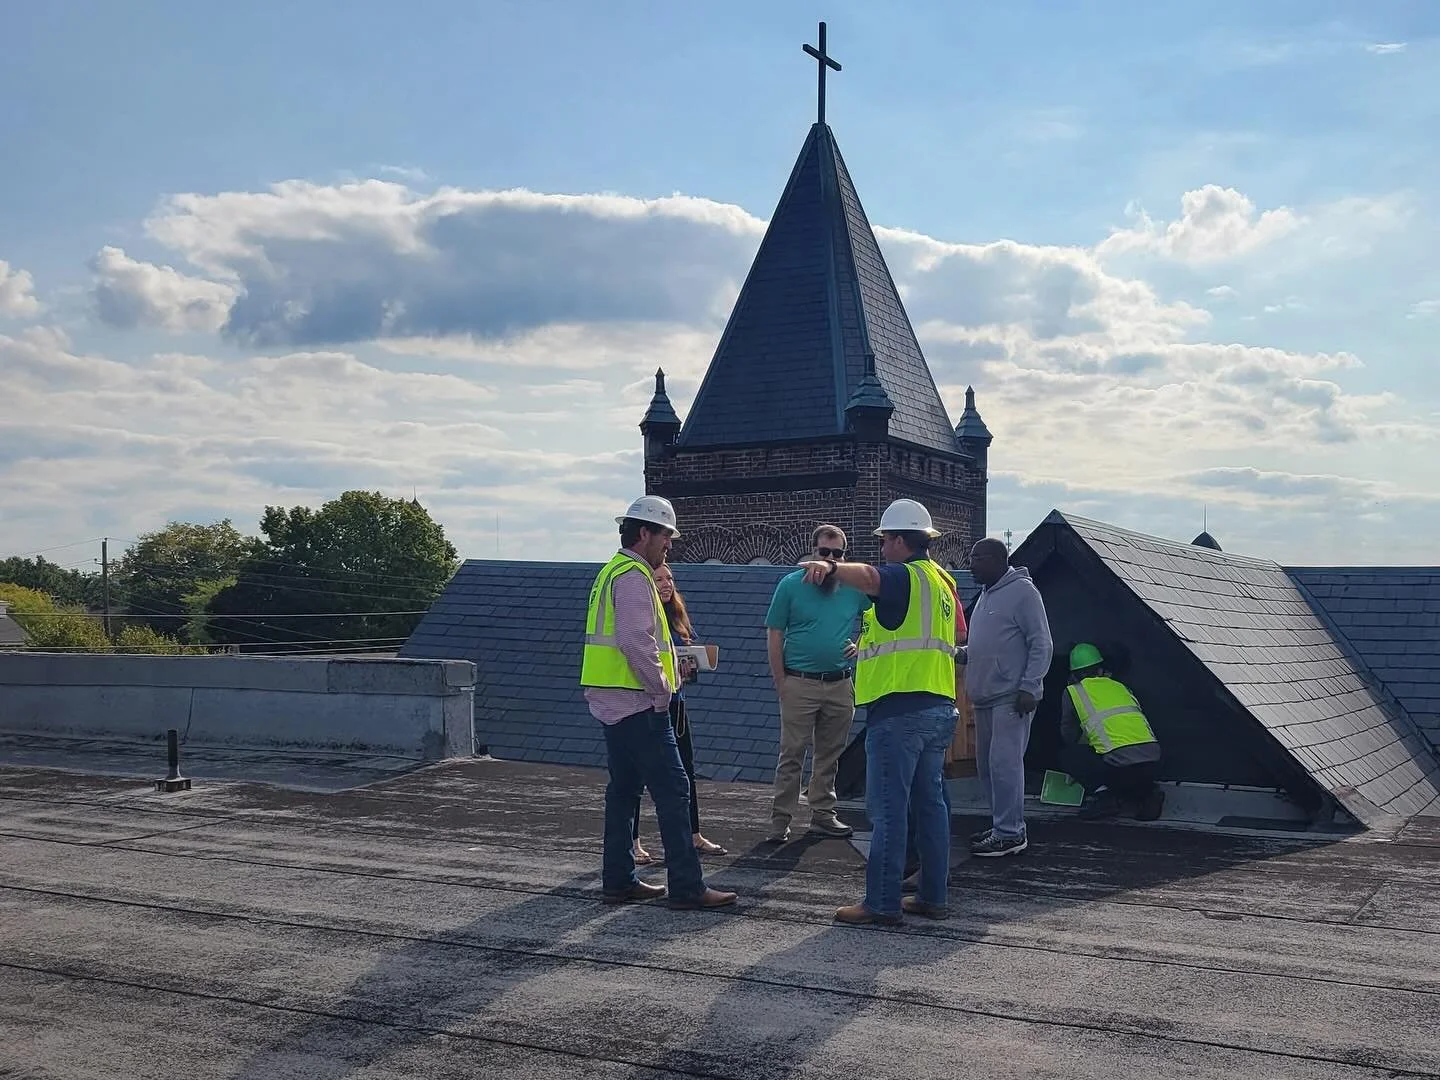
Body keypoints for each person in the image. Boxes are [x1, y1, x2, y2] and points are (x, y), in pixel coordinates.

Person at [796, 499, 963, 925]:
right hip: (939, 707)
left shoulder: (901, 576)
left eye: (885, 540)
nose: (882, 549)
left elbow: (870, 577)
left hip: (899, 711)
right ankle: (932, 897)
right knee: (931, 807)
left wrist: (830, 567)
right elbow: (952, 633)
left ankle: (883, 903)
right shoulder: (942, 582)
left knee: (888, 810)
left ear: (899, 540)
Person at [580, 495, 737, 910]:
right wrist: (662, 691)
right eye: (666, 536)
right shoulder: (633, 575)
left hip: (613, 701)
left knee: (625, 791)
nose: (670, 544)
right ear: (644, 533)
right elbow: (636, 642)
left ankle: (619, 880)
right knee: (674, 790)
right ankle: (687, 887)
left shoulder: (611, 571)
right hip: (638, 703)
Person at [763, 524, 873, 842]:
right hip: (799, 681)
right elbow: (774, 632)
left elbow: (876, 618)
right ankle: (780, 820)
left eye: (836, 554)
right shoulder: (790, 584)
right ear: (813, 552)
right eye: (824, 552)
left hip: (840, 682)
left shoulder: (853, 588)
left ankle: (823, 814)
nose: (829, 559)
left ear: (843, 556)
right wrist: (780, 680)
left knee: (830, 753)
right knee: (792, 752)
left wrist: (863, 642)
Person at [960, 537, 1053, 857]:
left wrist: (1030, 686)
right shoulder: (987, 595)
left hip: (1011, 697)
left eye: (978, 558)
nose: (971, 564)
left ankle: (1010, 833)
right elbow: (992, 644)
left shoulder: (1023, 592)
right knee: (987, 766)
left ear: (1000, 559)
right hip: (985, 696)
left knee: (1004, 764)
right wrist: (963, 654)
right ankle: (1003, 824)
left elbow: (1042, 642)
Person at [631, 561, 728, 864]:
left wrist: (687, 670)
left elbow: (686, 670)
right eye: (658, 579)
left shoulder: (676, 619)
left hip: (676, 704)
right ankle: (633, 842)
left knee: (685, 770)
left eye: (669, 578)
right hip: (645, 706)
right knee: (636, 775)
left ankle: (694, 835)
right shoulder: (645, 616)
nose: (665, 584)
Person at [1059, 643, 1165, 821]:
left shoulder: (1073, 692)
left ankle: (1105, 799)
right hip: (1154, 762)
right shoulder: (1120, 686)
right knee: (1128, 764)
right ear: (1100, 669)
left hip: (1120, 768)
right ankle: (1149, 793)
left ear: (1074, 674)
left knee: (1068, 755)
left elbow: (1067, 733)